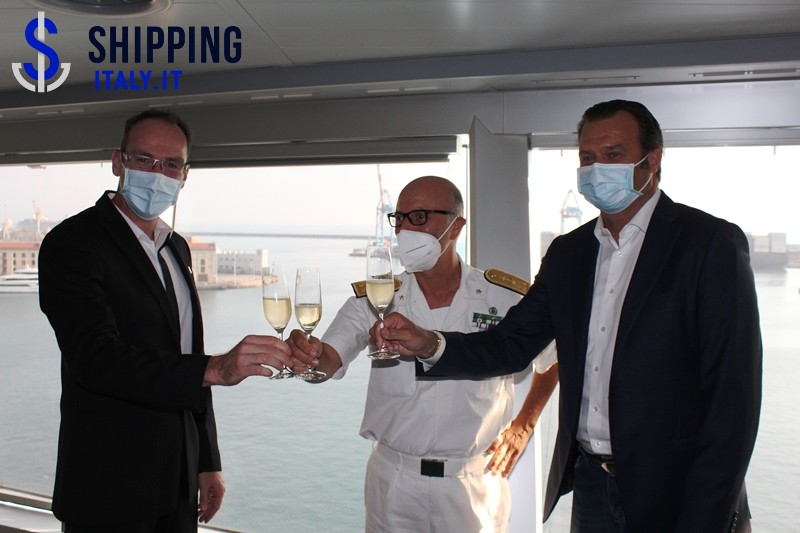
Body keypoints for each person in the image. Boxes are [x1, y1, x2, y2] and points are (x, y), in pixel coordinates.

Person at [372, 101, 762, 533]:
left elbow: (733, 403)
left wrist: (706, 518)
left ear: (652, 161)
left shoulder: (709, 245)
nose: (597, 169)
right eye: (587, 158)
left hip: (677, 489)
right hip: (591, 483)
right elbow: (510, 344)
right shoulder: (569, 254)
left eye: (613, 155)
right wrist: (430, 343)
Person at [38, 109, 293, 533]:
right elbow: (95, 359)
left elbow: (186, 354)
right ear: (118, 162)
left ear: (185, 175)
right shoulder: (72, 244)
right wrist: (216, 368)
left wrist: (206, 460)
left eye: (171, 164)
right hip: (107, 488)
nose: (158, 174)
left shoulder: (176, 248)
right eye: (144, 160)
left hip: (178, 484)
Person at [289, 176, 558, 532]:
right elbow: (327, 360)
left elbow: (553, 358)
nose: (405, 229)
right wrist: (306, 355)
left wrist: (524, 424)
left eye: (419, 217)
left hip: (474, 483)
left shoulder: (504, 298)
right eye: (399, 218)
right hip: (394, 483)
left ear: (456, 225)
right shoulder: (375, 298)